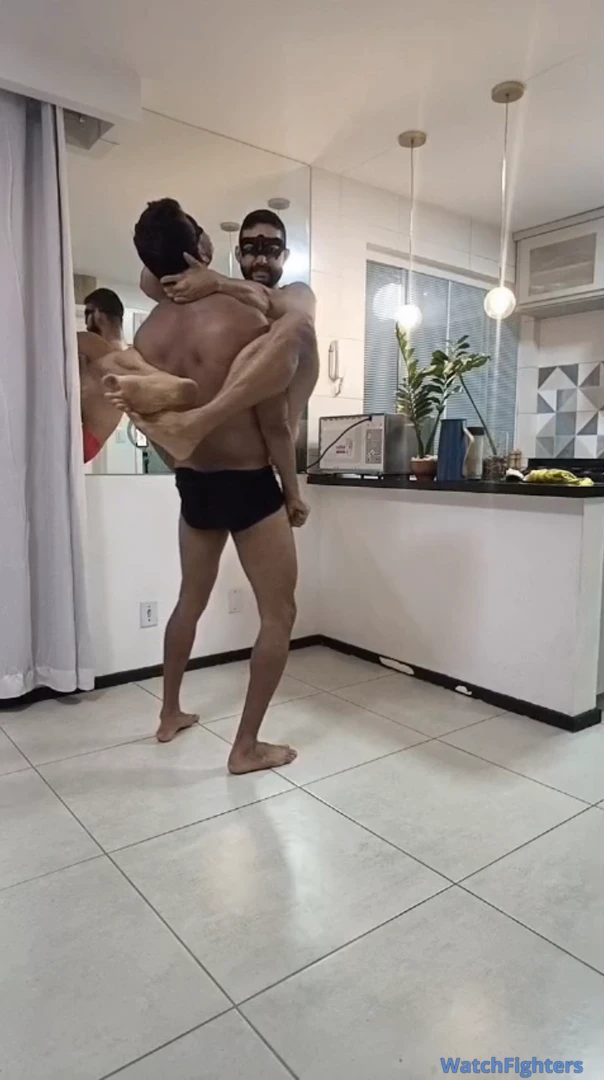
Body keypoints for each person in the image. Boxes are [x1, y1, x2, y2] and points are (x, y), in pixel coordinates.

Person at [132, 198, 312, 770]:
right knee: (278, 615)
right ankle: (246, 747)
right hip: (251, 484)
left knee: (189, 600)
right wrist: (292, 491)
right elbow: (274, 423)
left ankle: (169, 714)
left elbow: (157, 431)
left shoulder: (147, 337)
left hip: (195, 485)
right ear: (205, 250)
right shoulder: (244, 320)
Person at [160, 208, 319, 440]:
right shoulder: (222, 300)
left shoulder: (298, 293)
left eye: (272, 250)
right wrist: (197, 245)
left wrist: (218, 282)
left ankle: (199, 421)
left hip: (276, 439)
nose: (261, 260)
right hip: (224, 442)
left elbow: (286, 309)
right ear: (238, 253)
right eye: (251, 249)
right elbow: (148, 282)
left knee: (297, 324)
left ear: (285, 255)